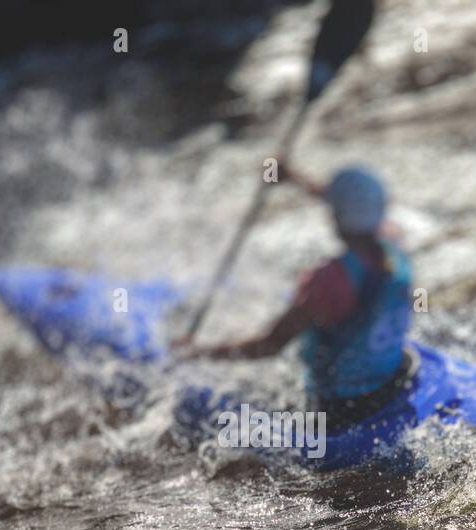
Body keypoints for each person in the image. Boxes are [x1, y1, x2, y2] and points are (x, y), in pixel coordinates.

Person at [175, 163, 414, 425]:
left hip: (342, 408)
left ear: (335, 217)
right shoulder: (396, 245)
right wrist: (294, 178)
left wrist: (198, 352)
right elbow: (352, 211)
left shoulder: (329, 282)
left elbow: (268, 346)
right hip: (389, 385)